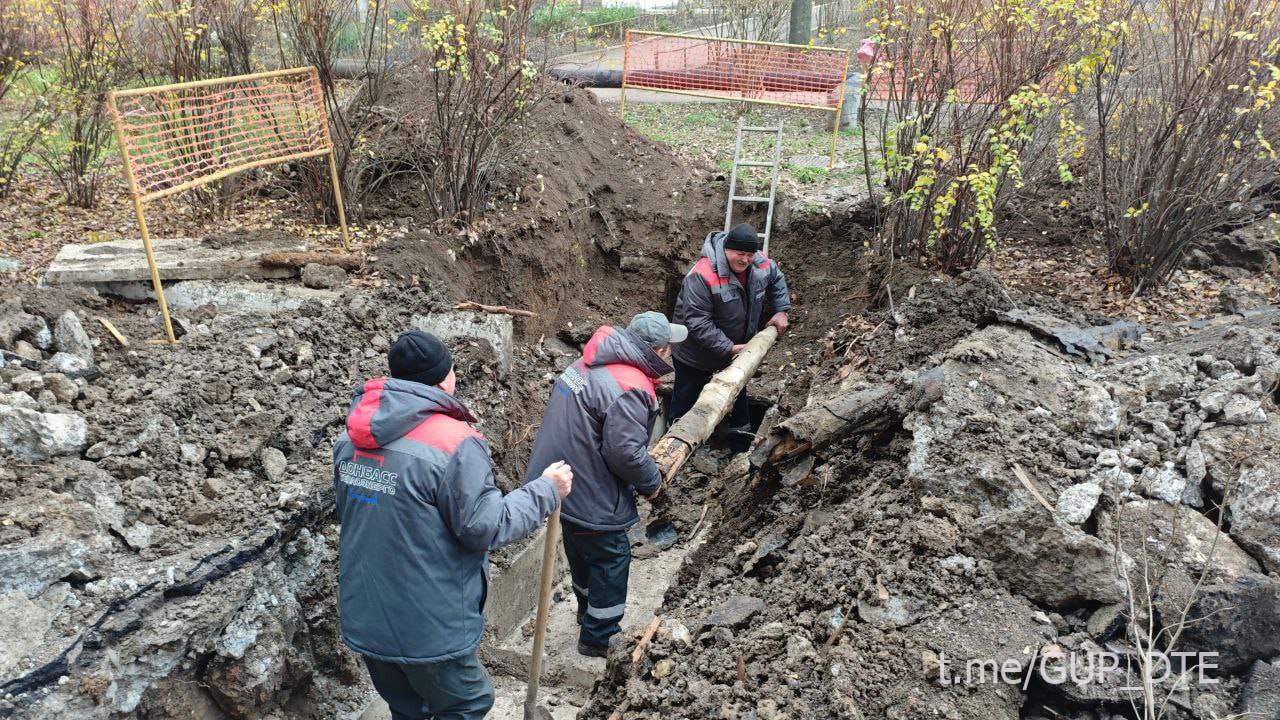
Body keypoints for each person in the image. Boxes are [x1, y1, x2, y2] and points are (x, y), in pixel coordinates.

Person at [333, 330, 574, 720]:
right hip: (427, 627)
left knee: (409, 706)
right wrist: (546, 490)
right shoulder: (454, 443)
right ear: (446, 378)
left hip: (366, 615)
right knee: (466, 703)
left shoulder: (351, 437)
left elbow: (354, 512)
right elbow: (484, 526)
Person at [524, 311, 686, 657]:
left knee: (581, 550)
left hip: (559, 482)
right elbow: (624, 454)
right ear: (657, 352)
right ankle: (599, 637)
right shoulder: (630, 387)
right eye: (668, 348)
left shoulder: (589, 363)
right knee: (612, 558)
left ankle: (586, 612)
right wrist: (651, 481)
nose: (670, 354)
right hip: (591, 489)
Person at [670, 222, 791, 453]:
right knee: (687, 400)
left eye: (749, 254)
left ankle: (741, 448)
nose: (745, 260)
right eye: (739, 254)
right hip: (694, 354)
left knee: (737, 397)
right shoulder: (702, 275)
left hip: (735, 352)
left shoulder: (759, 262)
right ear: (726, 249)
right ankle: (679, 450)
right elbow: (697, 322)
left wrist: (781, 309)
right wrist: (729, 347)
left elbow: (776, 278)